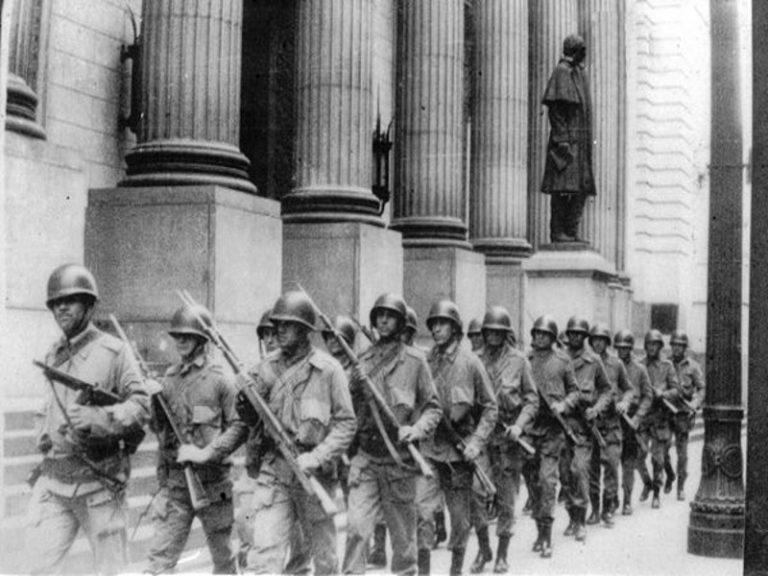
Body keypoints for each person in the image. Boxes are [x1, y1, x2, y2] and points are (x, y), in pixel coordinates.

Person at [27, 264, 150, 575]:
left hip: (99, 485)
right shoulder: (54, 353)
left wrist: (98, 418)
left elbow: (141, 405)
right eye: (56, 303)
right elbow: (49, 408)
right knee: (36, 568)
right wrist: (44, 436)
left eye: (70, 301)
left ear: (89, 305)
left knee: (110, 571)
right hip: (55, 483)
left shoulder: (114, 352)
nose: (61, 308)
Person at [237, 290, 357, 574]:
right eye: (277, 324)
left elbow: (346, 424)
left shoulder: (329, 370)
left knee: (325, 560)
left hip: (314, 475)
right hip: (275, 470)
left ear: (304, 330)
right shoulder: (264, 368)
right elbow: (251, 420)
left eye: (287, 325)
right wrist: (244, 402)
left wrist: (317, 456)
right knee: (264, 555)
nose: (279, 330)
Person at [342, 293, 441, 575]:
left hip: (399, 463)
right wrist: (352, 387)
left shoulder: (415, 362)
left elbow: (433, 408)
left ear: (400, 323)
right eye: (380, 316)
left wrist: (416, 429)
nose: (384, 321)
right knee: (357, 529)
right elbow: (347, 412)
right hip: (366, 459)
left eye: (390, 317)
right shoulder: (361, 362)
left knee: (404, 543)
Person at [146, 304, 248, 574]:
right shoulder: (169, 378)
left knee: (224, 560)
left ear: (202, 339)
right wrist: (154, 402)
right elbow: (160, 430)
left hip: (214, 483)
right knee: (159, 561)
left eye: (187, 336)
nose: (180, 340)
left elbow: (240, 425)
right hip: (178, 483)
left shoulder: (220, 380)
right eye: (177, 335)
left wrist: (208, 452)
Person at [417, 300, 498, 575]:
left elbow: (490, 408)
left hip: (459, 453)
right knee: (422, 513)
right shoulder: (425, 361)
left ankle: (456, 570)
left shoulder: (470, 363)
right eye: (433, 324)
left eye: (443, 323)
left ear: (455, 328)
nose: (436, 329)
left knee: (461, 520)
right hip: (429, 450)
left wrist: (476, 442)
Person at [473, 306, 538, 574]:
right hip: (481, 437)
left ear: (506, 333)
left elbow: (532, 400)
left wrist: (519, 426)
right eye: (489, 331)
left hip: (509, 440)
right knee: (476, 493)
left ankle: (501, 553)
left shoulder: (519, 361)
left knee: (506, 499)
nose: (493, 336)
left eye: (498, 332)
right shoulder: (474, 359)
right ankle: (483, 548)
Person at [523, 315, 579, 559]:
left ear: (553, 338)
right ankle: (539, 530)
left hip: (553, 431)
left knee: (547, 482)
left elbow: (575, 392)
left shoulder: (563, 361)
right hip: (530, 430)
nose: (540, 338)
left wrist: (564, 405)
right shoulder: (525, 361)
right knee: (532, 482)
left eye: (545, 334)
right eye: (537, 333)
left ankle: (546, 536)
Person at [235, 308, 280, 569]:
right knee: (245, 520)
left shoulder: (295, 373)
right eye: (265, 335)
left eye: (274, 333)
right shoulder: (253, 373)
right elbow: (243, 423)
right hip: (256, 462)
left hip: (284, 464)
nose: (270, 340)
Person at [541, 34, 596, 243]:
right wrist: (562, 139)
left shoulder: (578, 74)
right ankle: (558, 231)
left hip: (579, 144)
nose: (585, 54)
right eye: (582, 50)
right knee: (562, 189)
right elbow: (556, 110)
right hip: (565, 143)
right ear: (575, 51)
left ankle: (571, 230)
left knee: (580, 188)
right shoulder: (562, 72)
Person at [561, 317, 611, 542]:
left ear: (585, 337)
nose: (575, 337)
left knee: (580, 470)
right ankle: (571, 516)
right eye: (572, 333)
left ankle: (580, 519)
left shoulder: (594, 361)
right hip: (562, 425)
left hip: (583, 426)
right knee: (564, 474)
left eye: (579, 334)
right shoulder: (560, 358)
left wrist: (596, 409)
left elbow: (607, 390)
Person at [586, 323, 633, 527]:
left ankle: (607, 509)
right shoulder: (585, 362)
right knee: (592, 470)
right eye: (595, 339)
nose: (598, 343)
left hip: (612, 425)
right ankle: (595, 510)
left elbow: (629, 389)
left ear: (607, 342)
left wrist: (625, 402)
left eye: (602, 340)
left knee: (612, 468)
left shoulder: (616, 364)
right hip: (591, 424)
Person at [613, 329, 653, 516]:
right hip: (612, 421)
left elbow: (648, 396)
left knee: (628, 464)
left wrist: (637, 418)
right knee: (611, 463)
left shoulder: (640, 369)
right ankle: (612, 499)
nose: (622, 351)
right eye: (619, 347)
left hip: (631, 421)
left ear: (631, 349)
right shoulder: (609, 366)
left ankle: (627, 500)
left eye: (626, 348)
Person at [640, 329, 681, 509]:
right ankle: (647, 482)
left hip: (661, 417)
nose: (651, 347)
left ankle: (656, 492)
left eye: (655, 344)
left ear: (660, 346)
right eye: (649, 344)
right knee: (638, 456)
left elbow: (677, 390)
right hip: (644, 416)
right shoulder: (639, 365)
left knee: (658, 458)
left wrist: (663, 393)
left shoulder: (667, 366)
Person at [666, 330, 705, 501]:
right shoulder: (665, 364)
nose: (676, 348)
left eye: (680, 345)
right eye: (674, 345)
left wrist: (696, 403)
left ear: (685, 348)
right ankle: (669, 474)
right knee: (662, 451)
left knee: (682, 454)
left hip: (683, 414)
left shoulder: (693, 366)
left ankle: (680, 486)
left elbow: (702, 388)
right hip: (666, 413)